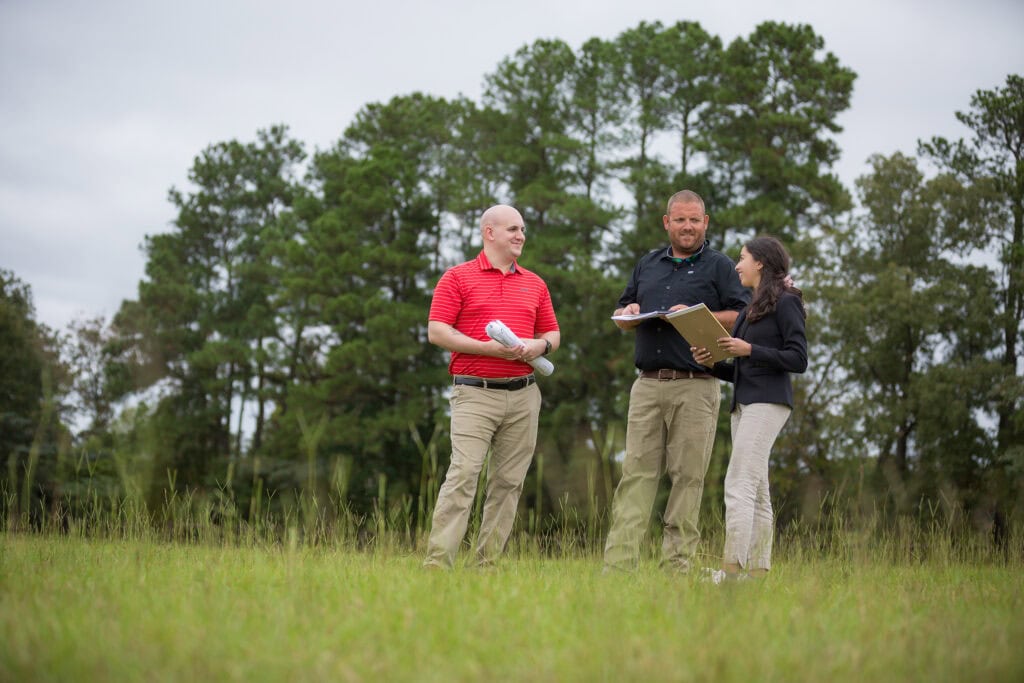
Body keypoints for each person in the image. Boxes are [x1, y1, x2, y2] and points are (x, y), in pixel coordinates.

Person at [604, 190, 749, 573]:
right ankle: (618, 567)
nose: (688, 227)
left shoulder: (720, 267)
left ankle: (677, 567)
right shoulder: (646, 264)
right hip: (647, 384)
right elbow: (623, 307)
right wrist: (629, 310)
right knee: (635, 475)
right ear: (666, 222)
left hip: (697, 384)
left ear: (706, 223)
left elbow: (743, 314)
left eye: (695, 220)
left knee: (687, 477)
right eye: (680, 220)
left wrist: (700, 314)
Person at [423, 204, 560, 569]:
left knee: (508, 483)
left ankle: (486, 566)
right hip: (474, 394)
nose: (521, 236)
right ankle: (437, 565)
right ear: (490, 233)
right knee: (464, 475)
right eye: (513, 229)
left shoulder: (535, 283)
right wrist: (487, 348)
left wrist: (539, 346)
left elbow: (553, 333)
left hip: (525, 394)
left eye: (523, 230)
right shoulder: (457, 277)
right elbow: (437, 331)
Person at [691, 236, 807, 581]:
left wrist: (749, 349)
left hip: (768, 402)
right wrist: (711, 363)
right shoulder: (749, 308)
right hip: (744, 403)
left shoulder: (787, 302)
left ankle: (731, 570)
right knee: (756, 490)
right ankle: (755, 576)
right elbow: (741, 366)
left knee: (738, 483)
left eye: (742, 258)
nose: (737, 264)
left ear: (761, 262)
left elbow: (798, 359)